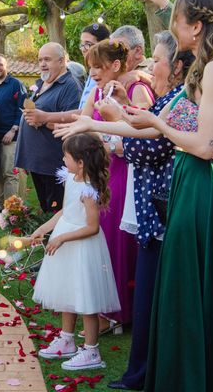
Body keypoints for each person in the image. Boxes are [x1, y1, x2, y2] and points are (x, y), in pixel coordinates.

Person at [116, 0, 213, 391]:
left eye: (175, 18)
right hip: (197, 182)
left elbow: (207, 147)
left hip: (203, 183)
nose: (173, 26)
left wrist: (157, 124)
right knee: (194, 290)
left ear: (196, 25)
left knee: (193, 291)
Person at [55, 31, 195, 390]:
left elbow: (149, 148)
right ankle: (141, 371)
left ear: (177, 67)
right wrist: (103, 119)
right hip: (150, 209)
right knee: (150, 295)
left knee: (153, 295)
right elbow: (144, 129)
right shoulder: (170, 97)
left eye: (157, 61)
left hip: (157, 207)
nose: (149, 67)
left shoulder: (177, 98)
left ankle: (143, 368)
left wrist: (110, 119)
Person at [29, 133, 119, 371]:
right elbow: (64, 213)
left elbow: (92, 227)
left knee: (85, 298)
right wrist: (44, 228)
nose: (62, 159)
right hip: (65, 240)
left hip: (82, 246)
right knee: (66, 292)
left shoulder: (89, 189)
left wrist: (61, 238)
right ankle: (67, 339)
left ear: (80, 162)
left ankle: (91, 351)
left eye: (66, 156)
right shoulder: (71, 178)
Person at [82, 40, 153, 331]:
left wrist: (105, 137)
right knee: (100, 239)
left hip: (125, 174)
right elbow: (84, 124)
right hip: (102, 173)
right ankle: (103, 309)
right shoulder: (99, 91)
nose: (94, 73)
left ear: (114, 65)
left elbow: (148, 137)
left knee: (117, 242)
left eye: (98, 67)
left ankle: (119, 313)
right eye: (90, 68)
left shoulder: (137, 89)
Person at [18, 42, 82, 212]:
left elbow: (74, 123)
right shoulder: (42, 83)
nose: (42, 64)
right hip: (37, 161)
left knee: (56, 211)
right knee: (45, 208)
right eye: (40, 60)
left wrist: (44, 120)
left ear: (61, 61)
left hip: (54, 163)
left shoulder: (70, 86)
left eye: (47, 59)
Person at [0, 55, 26, 214]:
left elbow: (22, 109)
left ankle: (11, 210)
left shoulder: (16, 84)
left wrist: (13, 129)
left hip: (11, 137)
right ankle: (1, 205)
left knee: (10, 174)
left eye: (0, 65)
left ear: (6, 67)